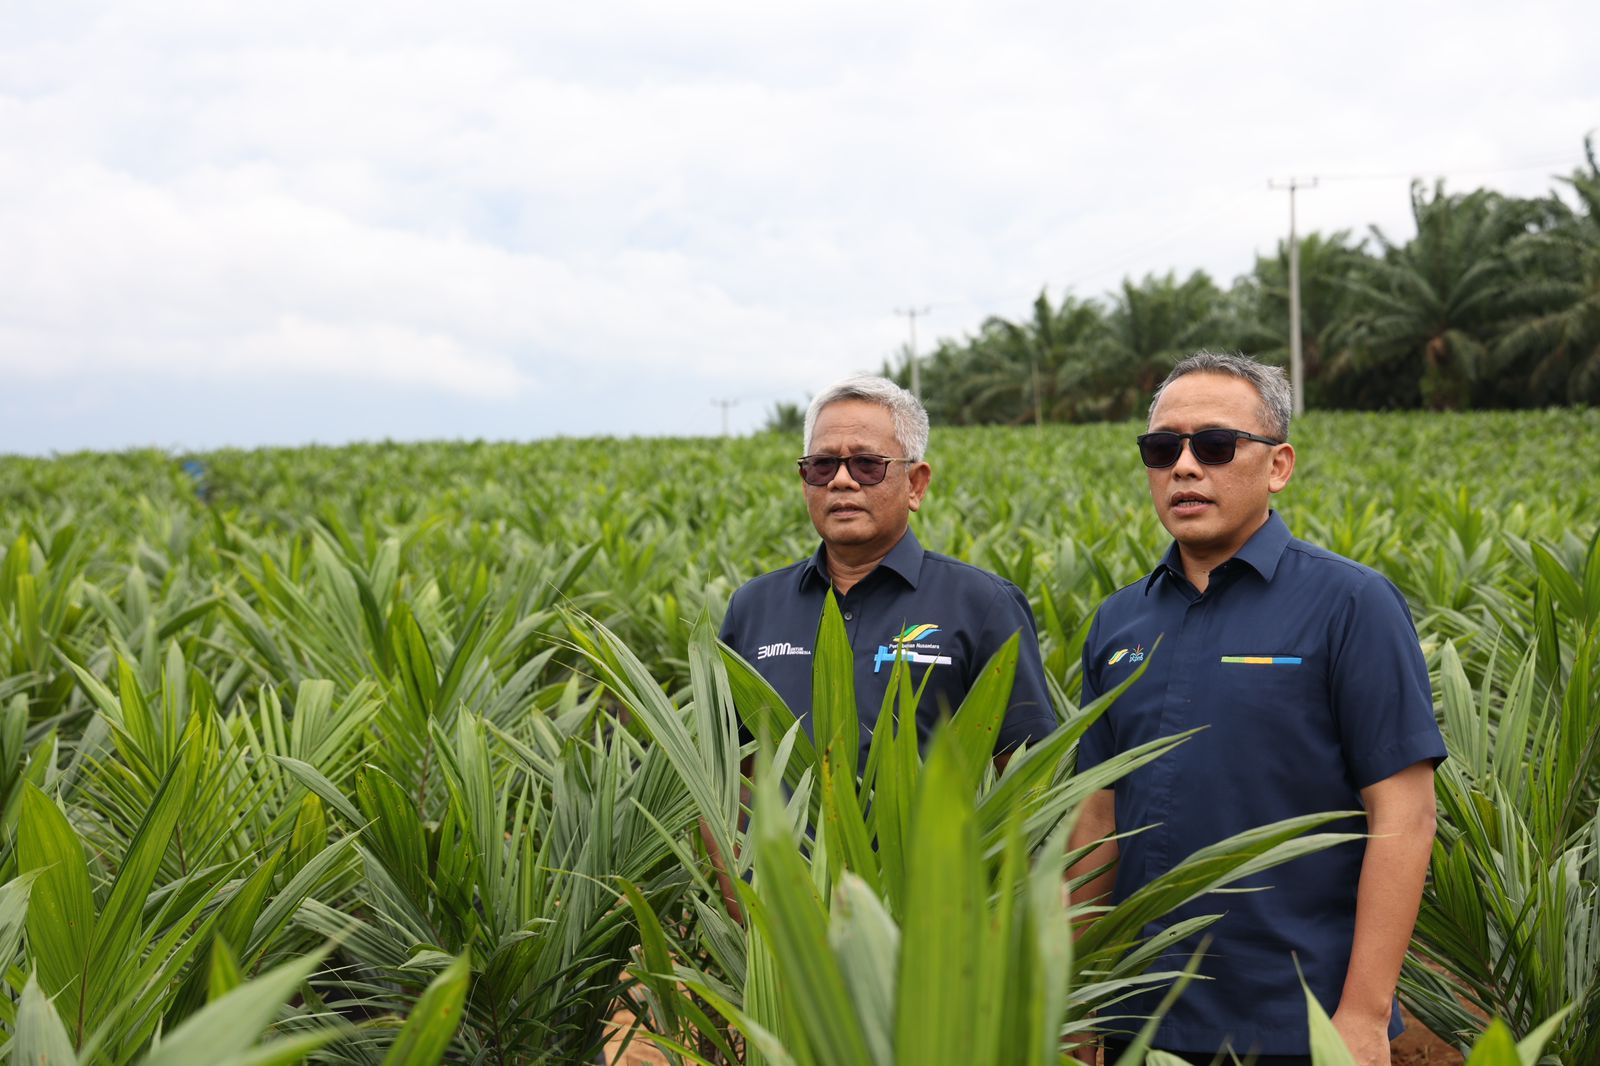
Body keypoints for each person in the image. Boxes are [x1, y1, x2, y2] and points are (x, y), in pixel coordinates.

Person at [1069, 352, 1444, 1066]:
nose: (1184, 467)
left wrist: (1364, 1014)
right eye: (1162, 449)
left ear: (1278, 466)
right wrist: (1077, 995)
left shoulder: (1351, 605)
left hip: (1297, 1022)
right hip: (1137, 1019)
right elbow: (1097, 821)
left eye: (1214, 446)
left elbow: (1404, 815)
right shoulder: (1116, 623)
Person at [719, 374, 1057, 772]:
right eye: (822, 466)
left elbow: (1025, 778)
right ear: (805, 481)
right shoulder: (754, 606)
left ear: (916, 484)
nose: (841, 481)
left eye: (867, 465)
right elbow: (724, 767)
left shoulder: (984, 606)